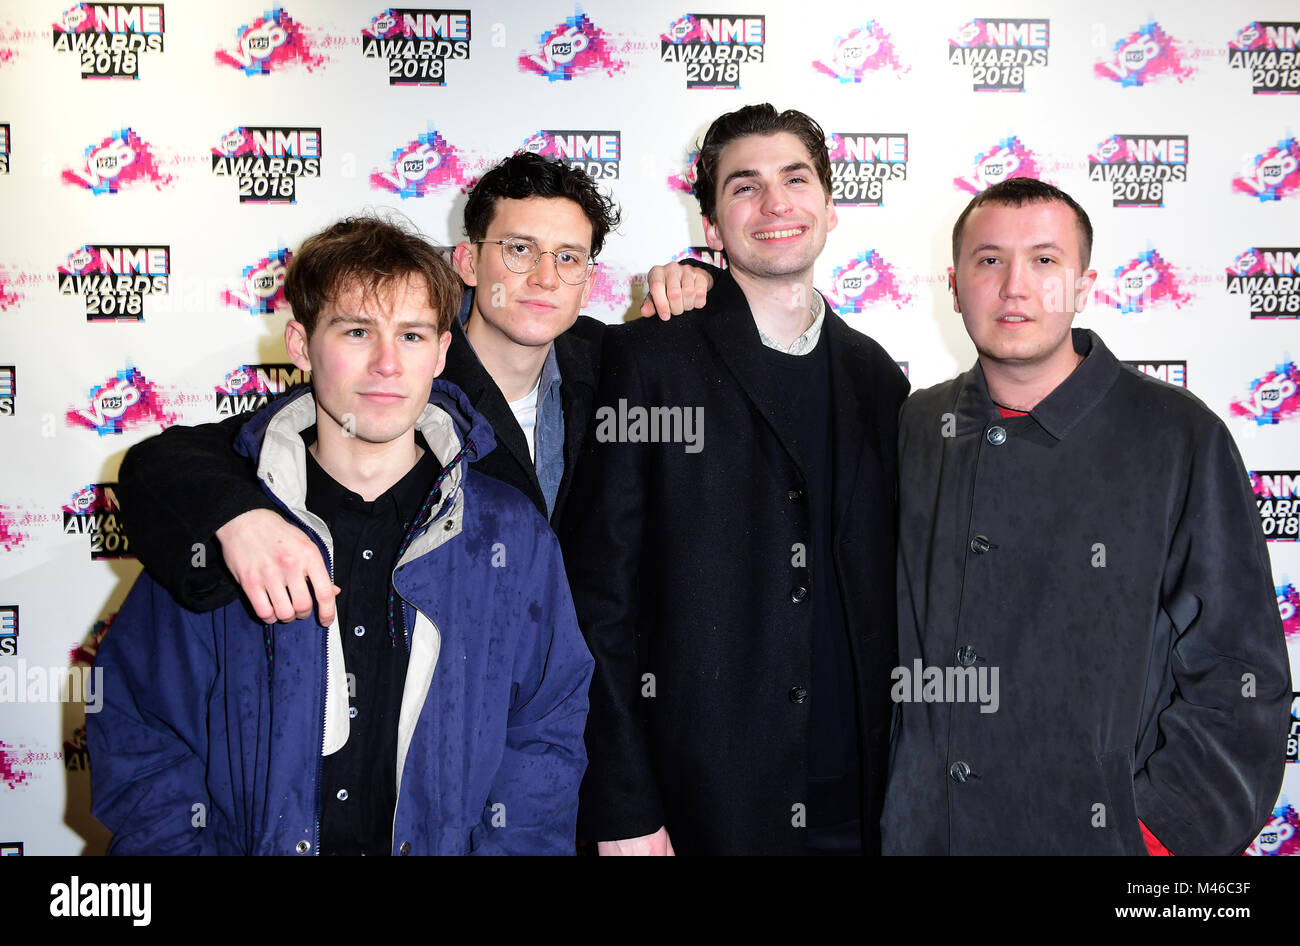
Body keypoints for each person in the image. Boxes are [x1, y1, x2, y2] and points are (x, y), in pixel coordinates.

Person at [88, 216, 594, 855]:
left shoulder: (508, 533)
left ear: (440, 353)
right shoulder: (223, 526)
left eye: (410, 335)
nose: (386, 364)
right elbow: (142, 727)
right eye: (357, 331)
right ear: (300, 345)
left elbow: (545, 731)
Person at [879, 177, 1289, 855]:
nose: (1015, 287)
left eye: (1044, 261)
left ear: (1083, 285)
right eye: (989, 261)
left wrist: (1156, 837)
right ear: (954, 286)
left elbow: (1242, 673)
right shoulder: (920, 424)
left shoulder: (1176, 436)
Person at [117, 152, 703, 626]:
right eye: (519, 249)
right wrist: (240, 519)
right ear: (468, 263)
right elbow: (168, 463)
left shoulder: (614, 364)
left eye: (568, 257)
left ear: (588, 281)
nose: (545, 277)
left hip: (578, 703)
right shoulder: (399, 370)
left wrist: (704, 289)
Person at [559, 104, 909, 855]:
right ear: (712, 227)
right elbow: (597, 602)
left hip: (862, 806)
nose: (776, 203)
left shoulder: (878, 379)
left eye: (796, 179)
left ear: (830, 207)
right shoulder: (651, 360)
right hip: (700, 811)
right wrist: (623, 805)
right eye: (745, 187)